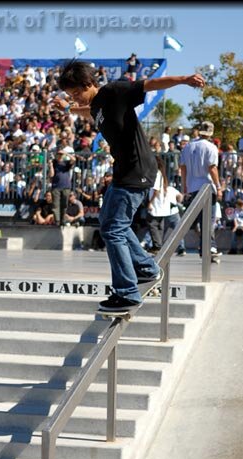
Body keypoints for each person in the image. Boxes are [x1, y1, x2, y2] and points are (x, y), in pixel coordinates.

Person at [54, 59, 205, 312]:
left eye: (77, 92)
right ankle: (147, 269)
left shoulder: (114, 91)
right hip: (124, 171)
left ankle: (127, 292)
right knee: (109, 222)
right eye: (71, 95)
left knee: (113, 229)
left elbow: (149, 84)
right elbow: (89, 110)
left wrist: (183, 79)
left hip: (137, 169)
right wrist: (70, 108)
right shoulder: (98, 105)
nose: (76, 98)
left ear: (89, 83)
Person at [180, 120, 223, 258]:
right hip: (207, 186)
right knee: (209, 219)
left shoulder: (188, 147)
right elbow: (212, 168)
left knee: (200, 219)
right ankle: (209, 246)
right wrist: (218, 186)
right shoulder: (211, 147)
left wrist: (184, 186)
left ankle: (205, 246)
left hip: (192, 186)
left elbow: (183, 167)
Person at [147, 155, 186, 256]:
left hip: (156, 205)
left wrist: (150, 202)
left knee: (153, 224)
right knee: (160, 226)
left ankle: (157, 246)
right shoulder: (161, 174)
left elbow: (155, 190)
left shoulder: (156, 174)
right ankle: (159, 245)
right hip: (162, 207)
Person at [48, 147, 76, 225]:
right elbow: (51, 174)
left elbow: (74, 160)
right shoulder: (54, 163)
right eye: (58, 154)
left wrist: (66, 153)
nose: (60, 156)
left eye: (61, 154)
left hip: (66, 186)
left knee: (64, 204)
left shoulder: (66, 163)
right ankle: (57, 221)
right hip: (56, 186)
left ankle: (62, 220)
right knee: (56, 204)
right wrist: (50, 165)